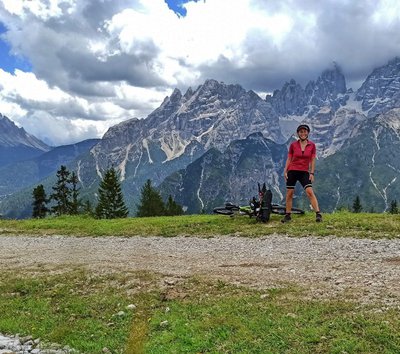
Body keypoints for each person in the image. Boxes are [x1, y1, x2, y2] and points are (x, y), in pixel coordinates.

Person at [282, 124, 322, 223]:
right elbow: (289, 158)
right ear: (298, 133)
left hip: (304, 172)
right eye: (301, 132)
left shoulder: (312, 145)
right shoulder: (293, 145)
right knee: (290, 193)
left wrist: (312, 173)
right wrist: (285, 171)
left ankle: (318, 214)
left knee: (309, 192)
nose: (303, 133)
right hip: (292, 171)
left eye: (305, 131)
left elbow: (312, 160)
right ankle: (288, 215)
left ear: (307, 133)